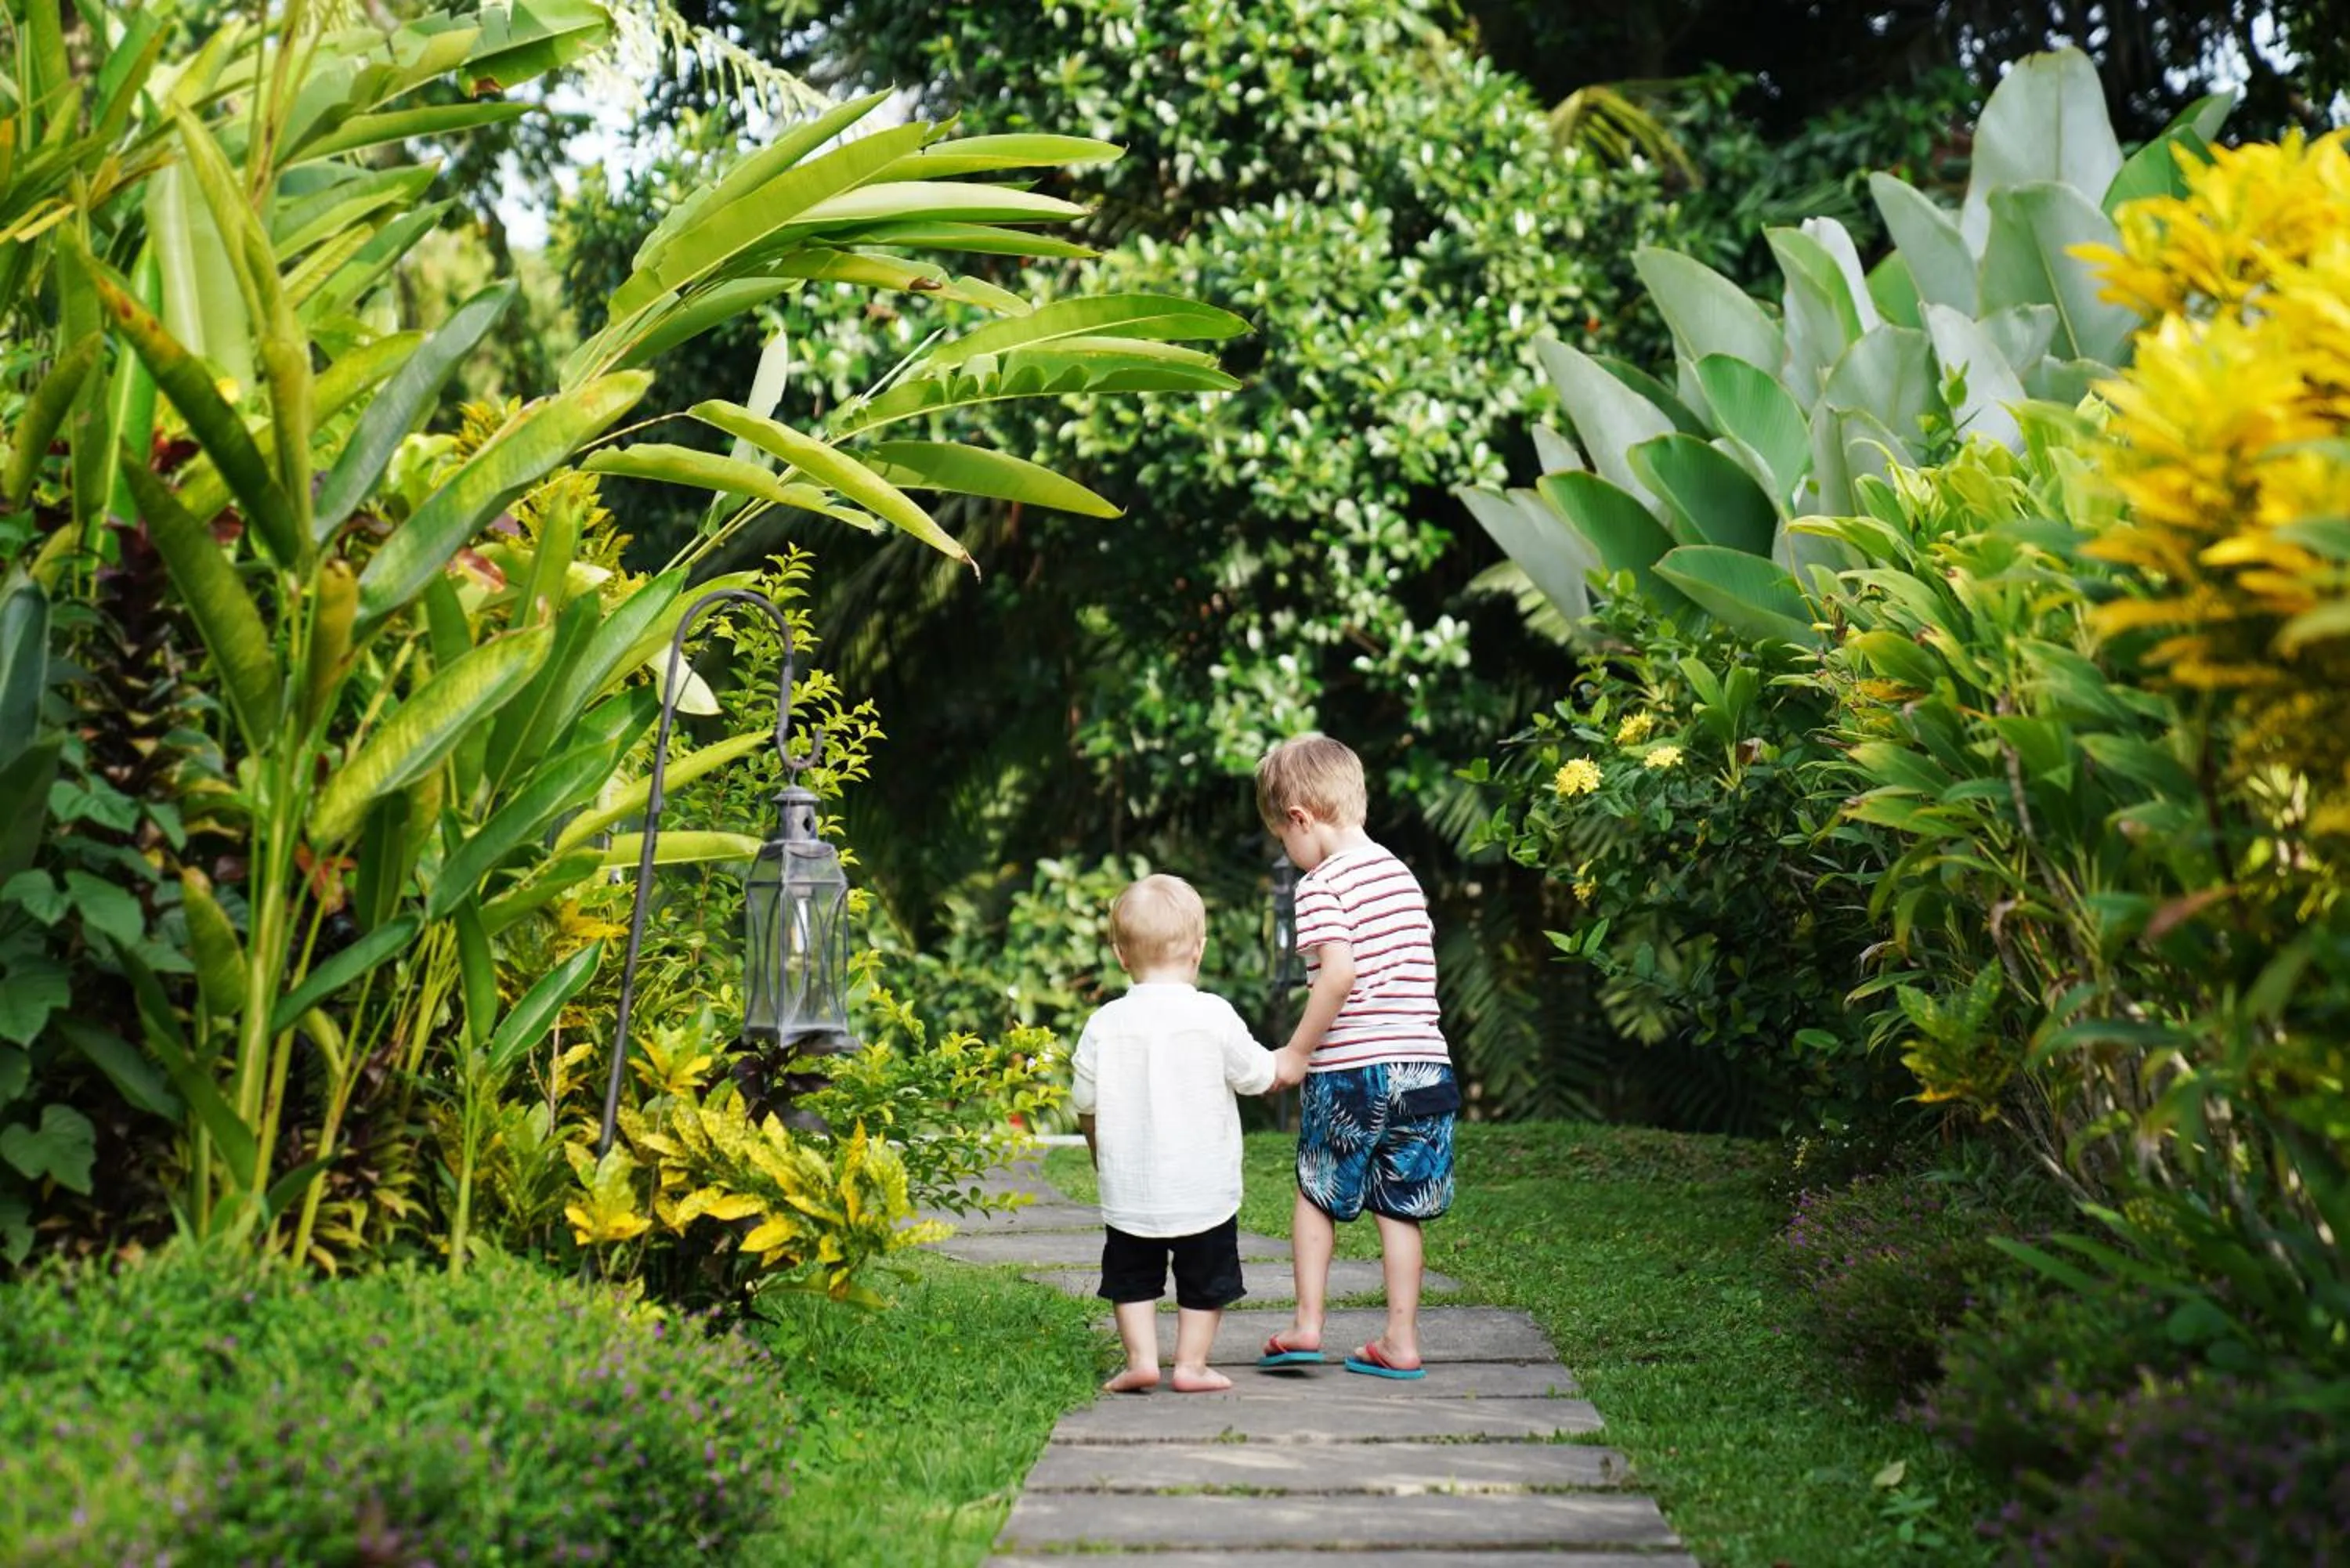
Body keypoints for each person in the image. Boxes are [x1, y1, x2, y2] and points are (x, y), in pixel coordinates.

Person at [1256, 734, 1459, 1380]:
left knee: (1318, 1189)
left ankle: (1308, 1324)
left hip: (1354, 1069)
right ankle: (1401, 1339)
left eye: (1282, 840)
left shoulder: (1321, 884)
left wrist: (1297, 1049)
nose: (1288, 853)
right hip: (1426, 1067)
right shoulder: (1399, 873)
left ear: (1300, 819)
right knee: (1400, 1204)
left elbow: (1337, 976)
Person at [1072, 873, 1278, 1394]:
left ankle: (1141, 1358)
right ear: (1199, 950)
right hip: (1203, 1188)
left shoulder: (1105, 1022)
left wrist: (1100, 1152)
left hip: (1131, 1190)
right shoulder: (1213, 1014)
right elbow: (1255, 1075)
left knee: (1130, 1274)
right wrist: (1288, 1062)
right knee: (1206, 1276)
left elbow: (1086, 1101)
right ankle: (1191, 1362)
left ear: (1121, 955)